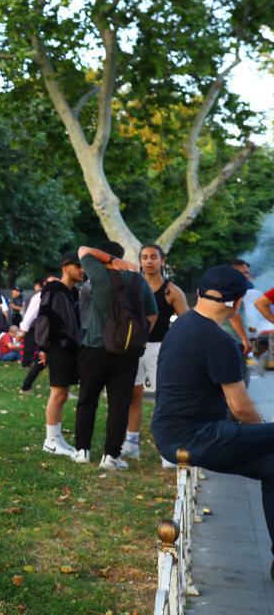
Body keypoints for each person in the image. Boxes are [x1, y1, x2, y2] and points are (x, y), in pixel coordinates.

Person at [150, 266, 274, 576]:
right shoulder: (219, 341)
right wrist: (260, 433)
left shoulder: (182, 324)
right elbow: (241, 408)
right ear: (236, 302)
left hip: (171, 432)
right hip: (197, 437)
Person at [72, 243, 157, 469]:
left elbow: (83, 250)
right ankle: (111, 456)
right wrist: (136, 337)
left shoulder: (99, 275)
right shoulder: (139, 281)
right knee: (119, 404)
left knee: (87, 400)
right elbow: (152, 315)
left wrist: (109, 259)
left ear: (103, 258)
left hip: (95, 347)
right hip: (127, 352)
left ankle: (82, 450)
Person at [122, 244, 187, 462]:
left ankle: (167, 450)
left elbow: (186, 324)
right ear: (140, 261)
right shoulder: (132, 288)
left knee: (165, 398)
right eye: (145, 257)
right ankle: (131, 443)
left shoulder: (172, 291)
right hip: (134, 348)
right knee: (133, 395)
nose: (149, 261)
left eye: (153, 257)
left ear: (162, 260)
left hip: (160, 348)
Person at [34, 253, 84, 457]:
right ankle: (51, 440)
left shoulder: (73, 292)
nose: (82, 270)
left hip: (70, 348)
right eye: (78, 266)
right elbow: (44, 318)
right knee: (58, 393)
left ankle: (57, 436)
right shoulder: (54, 290)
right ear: (65, 267)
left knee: (62, 393)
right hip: (57, 347)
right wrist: (44, 347)